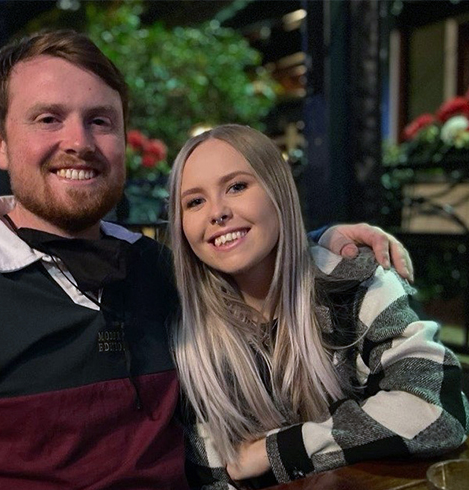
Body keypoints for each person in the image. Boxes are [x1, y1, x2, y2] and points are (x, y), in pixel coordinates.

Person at [0, 31, 413, 490]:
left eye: (100, 120)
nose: (78, 140)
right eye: (48, 118)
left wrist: (316, 241)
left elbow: (240, 254)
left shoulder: (158, 271)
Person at [168, 124, 469, 489]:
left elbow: (436, 409)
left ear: (279, 191)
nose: (217, 212)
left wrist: (275, 450)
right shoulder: (184, 333)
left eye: (237, 186)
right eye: (194, 201)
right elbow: (215, 475)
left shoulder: (356, 281)